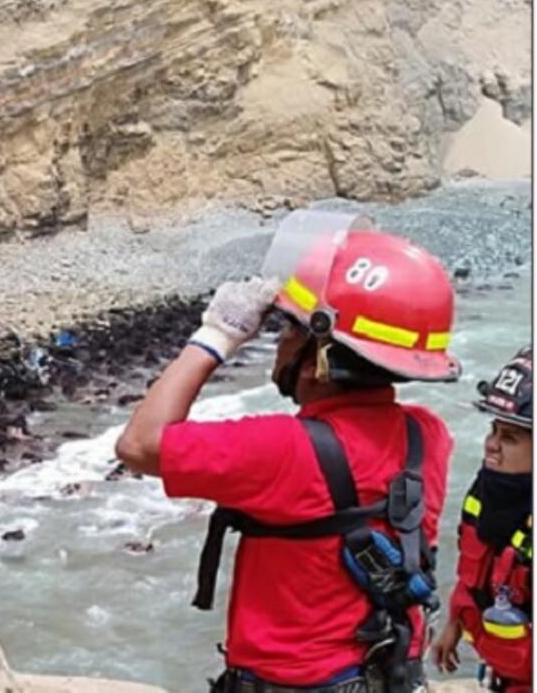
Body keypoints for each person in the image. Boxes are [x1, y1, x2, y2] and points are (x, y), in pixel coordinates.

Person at [115, 226, 462, 692]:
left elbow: (139, 444)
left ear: (320, 353)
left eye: (289, 331)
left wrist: (214, 336)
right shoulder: (428, 434)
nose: (279, 345)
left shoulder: (281, 449)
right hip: (389, 673)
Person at [432, 347, 533, 693]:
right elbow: (474, 570)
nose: (491, 445)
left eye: (510, 438)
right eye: (494, 430)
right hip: (502, 673)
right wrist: (454, 625)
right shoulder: (487, 494)